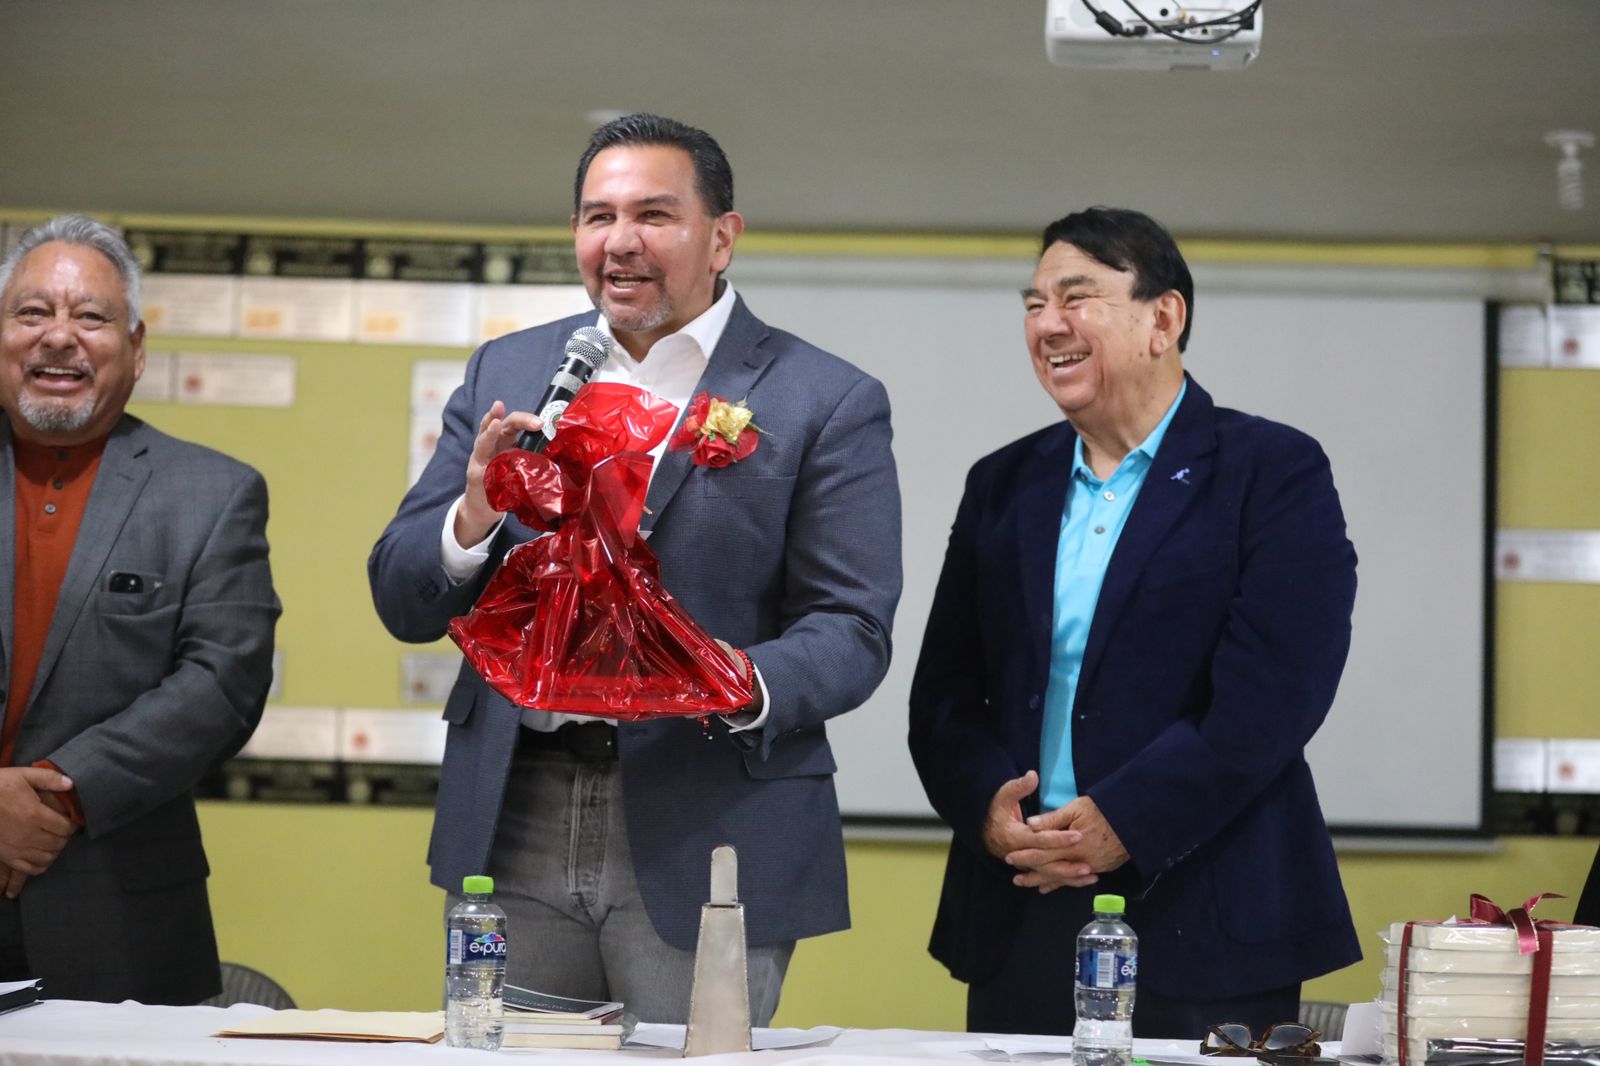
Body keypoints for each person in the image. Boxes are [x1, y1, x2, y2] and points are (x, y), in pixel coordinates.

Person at [368, 114, 901, 1024]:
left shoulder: (823, 398)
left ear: (722, 236)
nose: (619, 242)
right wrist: (476, 512)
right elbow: (401, 593)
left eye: (654, 214)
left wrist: (725, 680)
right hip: (517, 806)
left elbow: (852, 628)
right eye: (596, 216)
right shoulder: (515, 366)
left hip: (711, 812)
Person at [908, 207, 1360, 1037]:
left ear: (1164, 317)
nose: (1047, 325)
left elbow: (1274, 694)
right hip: (1023, 897)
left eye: (1075, 297)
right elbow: (943, 694)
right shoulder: (1002, 484)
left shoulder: (1273, 470)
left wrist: (1130, 819)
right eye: (1033, 303)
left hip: (1205, 905)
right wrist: (985, 809)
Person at [0, 215, 279, 1003]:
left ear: (136, 347)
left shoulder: (213, 494)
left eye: (89, 317)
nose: (59, 337)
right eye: (32, 313)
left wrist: (59, 791)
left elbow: (223, 683)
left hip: (120, 912)